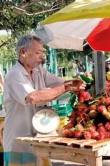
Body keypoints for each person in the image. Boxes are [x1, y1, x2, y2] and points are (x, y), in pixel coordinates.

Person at [3, 34, 86, 165]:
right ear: (23, 52)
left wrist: (76, 83)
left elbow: (60, 84)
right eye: (37, 52)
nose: (42, 56)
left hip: (40, 140)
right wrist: (66, 87)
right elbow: (33, 97)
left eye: (42, 52)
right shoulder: (14, 75)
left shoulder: (39, 72)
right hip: (19, 143)